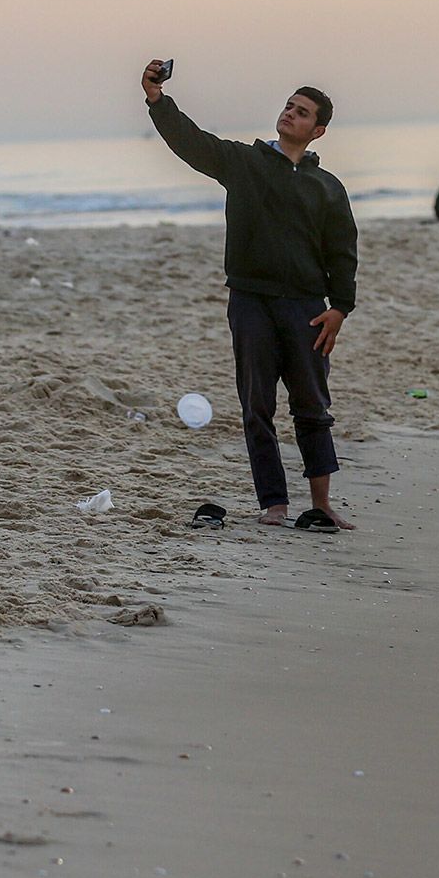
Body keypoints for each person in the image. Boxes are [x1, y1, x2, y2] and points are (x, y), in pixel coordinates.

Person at [145, 61, 359, 529]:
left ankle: (322, 504)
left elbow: (342, 252)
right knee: (257, 406)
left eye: (302, 112)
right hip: (250, 301)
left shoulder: (328, 188)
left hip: (307, 308)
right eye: (288, 106)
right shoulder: (244, 163)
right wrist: (158, 100)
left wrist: (341, 308)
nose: (290, 114)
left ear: (317, 130)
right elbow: (192, 143)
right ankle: (274, 504)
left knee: (312, 407)